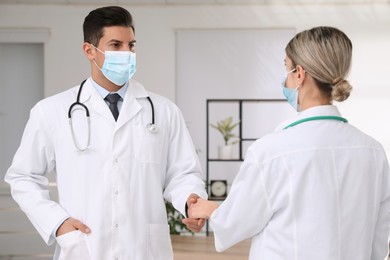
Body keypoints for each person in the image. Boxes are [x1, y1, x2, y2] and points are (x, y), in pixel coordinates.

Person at [4, 6, 207, 260]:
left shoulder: (164, 111)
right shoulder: (52, 111)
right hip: (84, 248)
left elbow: (183, 173)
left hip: (143, 250)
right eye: (116, 45)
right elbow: (23, 176)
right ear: (90, 51)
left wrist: (190, 200)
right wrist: (57, 222)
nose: (127, 53)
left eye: (131, 46)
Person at [189, 26, 390, 259]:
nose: (285, 79)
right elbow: (378, 236)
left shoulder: (272, 151)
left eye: (287, 69)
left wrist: (210, 209)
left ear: (300, 74)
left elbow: (236, 221)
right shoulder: (373, 151)